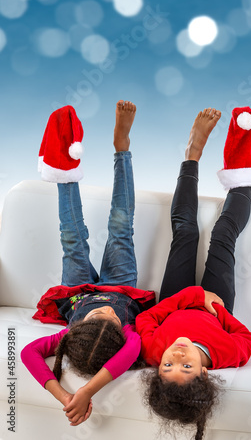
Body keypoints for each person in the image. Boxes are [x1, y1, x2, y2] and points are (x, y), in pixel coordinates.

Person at [135, 106, 251, 440]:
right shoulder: (227, 356)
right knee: (224, 233)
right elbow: (247, 339)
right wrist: (221, 314)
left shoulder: (153, 350)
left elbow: (146, 321)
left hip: (175, 300)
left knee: (186, 232)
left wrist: (192, 298)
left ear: (157, 369)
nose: (177, 357)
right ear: (206, 372)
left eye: (168, 366)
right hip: (218, 305)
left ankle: (192, 155)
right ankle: (243, 167)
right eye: (186, 366)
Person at [21, 100, 154, 427]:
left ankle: (63, 160)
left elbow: (28, 354)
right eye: (110, 319)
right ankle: (122, 148)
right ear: (121, 332)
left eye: (98, 315)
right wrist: (89, 392)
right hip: (121, 285)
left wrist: (66, 396)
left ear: (75, 329)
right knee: (121, 226)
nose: (107, 311)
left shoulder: (67, 336)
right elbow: (128, 353)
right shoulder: (128, 337)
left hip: (76, 288)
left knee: (71, 234)